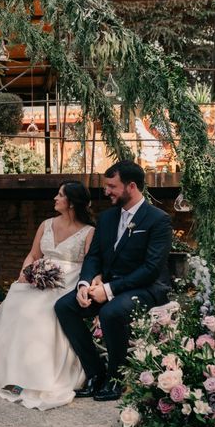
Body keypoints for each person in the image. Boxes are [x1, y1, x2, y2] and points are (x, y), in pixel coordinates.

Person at [0, 181, 95, 410]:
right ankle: (8, 373)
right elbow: (33, 255)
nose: (55, 198)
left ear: (71, 203)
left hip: (68, 282)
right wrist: (26, 273)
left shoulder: (89, 231)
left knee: (40, 314)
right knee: (16, 305)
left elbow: (90, 266)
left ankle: (39, 376)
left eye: (60, 195)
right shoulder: (46, 224)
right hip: (38, 279)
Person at [55, 160, 172, 402]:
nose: (106, 191)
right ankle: (95, 373)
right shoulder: (107, 218)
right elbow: (94, 255)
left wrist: (108, 290)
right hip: (106, 286)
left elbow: (151, 269)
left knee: (111, 312)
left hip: (146, 288)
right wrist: (85, 284)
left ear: (131, 186)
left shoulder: (158, 219)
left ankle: (116, 378)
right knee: (64, 306)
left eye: (112, 186)